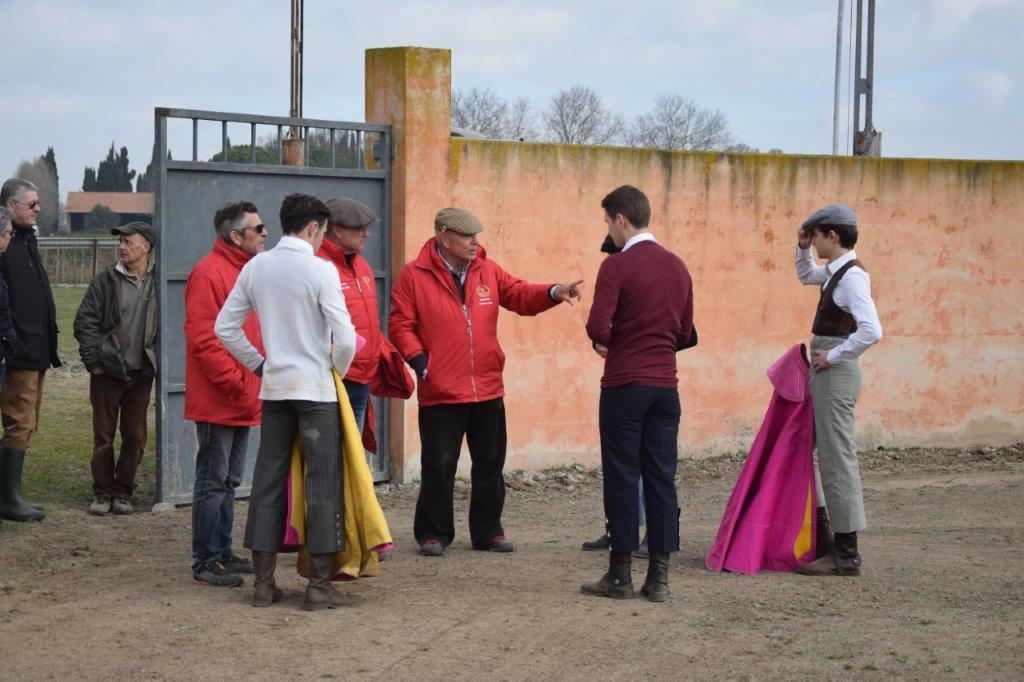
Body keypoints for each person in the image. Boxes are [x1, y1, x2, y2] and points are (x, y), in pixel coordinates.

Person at [389, 207, 583, 557]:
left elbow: (520, 295)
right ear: (443, 236)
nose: (475, 242)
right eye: (467, 235)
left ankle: (488, 532)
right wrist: (420, 361)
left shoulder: (487, 270)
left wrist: (554, 292)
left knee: (490, 464)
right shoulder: (412, 276)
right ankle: (433, 534)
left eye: (476, 235)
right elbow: (400, 324)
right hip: (441, 390)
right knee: (439, 465)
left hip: (488, 386)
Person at [215, 193, 362, 610]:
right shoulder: (320, 270)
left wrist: (260, 364)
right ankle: (318, 587)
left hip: (276, 387)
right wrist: (336, 367)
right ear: (313, 228)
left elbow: (225, 328)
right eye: (322, 232)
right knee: (322, 483)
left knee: (266, 482)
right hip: (315, 390)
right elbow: (347, 338)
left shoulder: (256, 266)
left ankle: (263, 585)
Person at [581, 185, 693, 603]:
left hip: (625, 385)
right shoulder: (678, 267)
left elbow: (598, 328)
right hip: (666, 387)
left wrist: (612, 341)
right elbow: (683, 332)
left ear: (621, 220)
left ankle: (620, 574)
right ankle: (659, 577)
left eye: (608, 222)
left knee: (623, 475)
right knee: (662, 477)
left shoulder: (617, 267)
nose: (609, 229)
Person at [794, 203, 882, 577]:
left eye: (814, 236)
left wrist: (834, 355)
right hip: (829, 369)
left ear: (833, 235)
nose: (812, 242)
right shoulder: (836, 272)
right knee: (825, 454)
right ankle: (831, 543)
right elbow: (805, 275)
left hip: (835, 371)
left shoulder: (851, 278)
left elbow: (872, 330)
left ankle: (845, 553)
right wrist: (799, 248)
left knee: (836, 457)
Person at [184, 202, 266, 587]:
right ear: (236, 236)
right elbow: (204, 340)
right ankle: (206, 558)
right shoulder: (209, 272)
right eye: (258, 228)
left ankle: (224, 551)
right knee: (213, 480)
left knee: (230, 480)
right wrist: (237, 383)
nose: (266, 233)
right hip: (222, 397)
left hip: (242, 395)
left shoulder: (247, 271)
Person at [74, 222, 157, 516]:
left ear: (145, 247)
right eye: (120, 242)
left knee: (134, 436)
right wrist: (93, 363)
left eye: (127, 242)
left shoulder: (159, 281)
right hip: (108, 373)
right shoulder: (106, 280)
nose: (121, 247)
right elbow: (85, 322)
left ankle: (123, 492)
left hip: (141, 375)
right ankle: (102, 492)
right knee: (104, 436)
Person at [582, 235, 648, 557]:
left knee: (650, 464)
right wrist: (603, 344)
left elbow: (684, 333)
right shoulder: (622, 281)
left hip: (643, 382)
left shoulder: (647, 279)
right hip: (631, 378)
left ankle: (656, 533)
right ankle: (619, 530)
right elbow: (602, 329)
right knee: (625, 465)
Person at [0, 179, 59, 523]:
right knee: (19, 422)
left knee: (29, 422)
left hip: (37, 348)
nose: (38, 209)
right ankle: (8, 499)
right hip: (19, 349)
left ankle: (10, 493)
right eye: (32, 204)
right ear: (10, 206)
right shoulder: (5, 244)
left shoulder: (25, 240)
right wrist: (12, 344)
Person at [315, 197, 382, 431]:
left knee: (352, 459)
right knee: (328, 457)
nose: (366, 234)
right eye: (359, 228)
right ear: (337, 230)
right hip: (333, 378)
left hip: (362, 378)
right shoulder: (318, 265)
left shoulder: (361, 265)